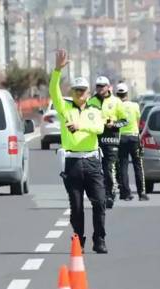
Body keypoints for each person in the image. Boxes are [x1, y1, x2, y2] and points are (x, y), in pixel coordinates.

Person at [49, 49, 109, 254]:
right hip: (73, 163)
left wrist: (81, 127)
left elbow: (100, 129)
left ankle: (99, 239)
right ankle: (79, 240)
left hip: (92, 162)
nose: (79, 93)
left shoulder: (94, 111)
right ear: (72, 92)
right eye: (76, 90)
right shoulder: (65, 108)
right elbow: (53, 91)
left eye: (83, 90)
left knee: (99, 202)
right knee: (76, 206)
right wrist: (57, 70)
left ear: (88, 93)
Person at [87, 76, 128, 209]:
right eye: (98, 86)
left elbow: (125, 120)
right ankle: (99, 195)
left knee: (109, 169)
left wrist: (114, 124)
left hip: (111, 140)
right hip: (95, 140)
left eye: (103, 86)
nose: (100, 88)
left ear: (108, 87)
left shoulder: (116, 101)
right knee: (96, 170)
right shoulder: (91, 101)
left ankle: (110, 195)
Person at [115, 83, 148, 201]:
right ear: (127, 94)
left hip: (121, 139)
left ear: (116, 94)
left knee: (122, 166)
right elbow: (138, 120)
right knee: (138, 165)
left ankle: (125, 193)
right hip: (134, 138)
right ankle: (141, 193)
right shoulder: (135, 106)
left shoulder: (116, 106)